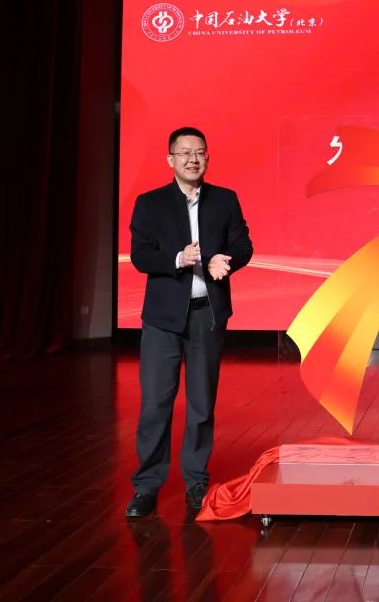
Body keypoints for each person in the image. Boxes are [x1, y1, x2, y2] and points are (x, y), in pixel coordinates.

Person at [125, 127, 253, 518]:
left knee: (201, 404)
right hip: (162, 319)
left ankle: (196, 480)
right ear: (171, 160)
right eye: (184, 153)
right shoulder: (150, 203)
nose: (192, 159)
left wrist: (225, 260)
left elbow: (243, 244)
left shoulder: (225, 199)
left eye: (199, 152)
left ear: (207, 158)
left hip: (206, 315)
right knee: (155, 404)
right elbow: (140, 256)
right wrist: (178, 260)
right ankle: (147, 486)